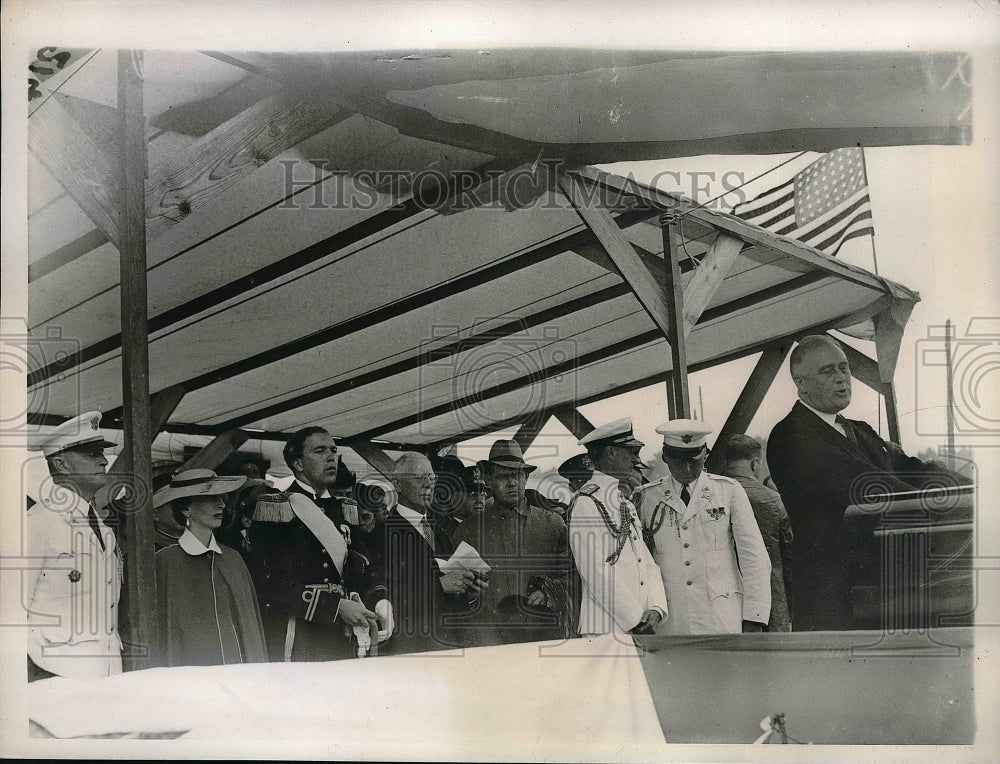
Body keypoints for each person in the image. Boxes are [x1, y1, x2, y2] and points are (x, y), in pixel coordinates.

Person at [767, 334, 974, 630]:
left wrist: (975, 492)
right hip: (835, 603)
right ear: (801, 382)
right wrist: (950, 506)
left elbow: (913, 469)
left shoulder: (860, 431)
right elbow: (868, 486)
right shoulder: (790, 437)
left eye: (844, 367)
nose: (841, 378)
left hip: (884, 595)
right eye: (828, 371)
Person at [246, 427, 383, 661]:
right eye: (320, 451)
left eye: (333, 450)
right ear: (298, 463)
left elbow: (363, 569)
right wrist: (335, 607)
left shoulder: (344, 509)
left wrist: (380, 602)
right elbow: (271, 584)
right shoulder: (276, 509)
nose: (331, 457)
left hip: (344, 634)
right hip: (300, 633)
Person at [633, 420, 771, 635]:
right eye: (679, 462)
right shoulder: (646, 497)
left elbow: (754, 558)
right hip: (671, 618)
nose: (687, 469)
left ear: (705, 454)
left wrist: (755, 616)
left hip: (722, 615)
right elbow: (641, 563)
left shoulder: (728, 491)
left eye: (694, 461)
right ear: (665, 457)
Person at [25, 412, 121, 680]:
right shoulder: (39, 524)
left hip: (104, 669)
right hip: (52, 671)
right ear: (61, 464)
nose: (103, 460)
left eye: (101, 452)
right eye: (92, 454)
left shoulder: (100, 527)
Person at [452, 440, 572, 647]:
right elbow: (455, 590)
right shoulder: (468, 530)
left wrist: (547, 592)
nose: (511, 483)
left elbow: (571, 577)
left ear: (526, 477)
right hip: (487, 638)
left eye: (517, 475)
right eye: (502, 476)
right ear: (488, 480)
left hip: (542, 633)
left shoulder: (553, 524)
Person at [153, 470, 268, 666]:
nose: (221, 504)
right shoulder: (164, 562)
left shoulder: (233, 559)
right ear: (185, 508)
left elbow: (251, 632)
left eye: (221, 497)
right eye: (209, 497)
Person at [380, 452, 487, 654]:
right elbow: (384, 594)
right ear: (398, 484)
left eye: (432, 478)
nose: (428, 484)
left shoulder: (440, 531)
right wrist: (438, 586)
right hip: (411, 648)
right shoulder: (382, 534)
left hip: (450, 645)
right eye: (420, 478)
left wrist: (470, 589)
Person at [569, 418, 667, 636]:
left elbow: (647, 562)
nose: (635, 459)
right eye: (630, 451)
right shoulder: (586, 503)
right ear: (611, 452)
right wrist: (635, 620)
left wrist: (656, 608)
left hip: (638, 625)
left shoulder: (625, 503)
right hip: (607, 629)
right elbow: (595, 572)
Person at [723, 434, 792, 632]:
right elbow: (789, 556)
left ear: (726, 462)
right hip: (770, 601)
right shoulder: (772, 499)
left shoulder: (709, 495)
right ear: (755, 463)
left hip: (722, 604)